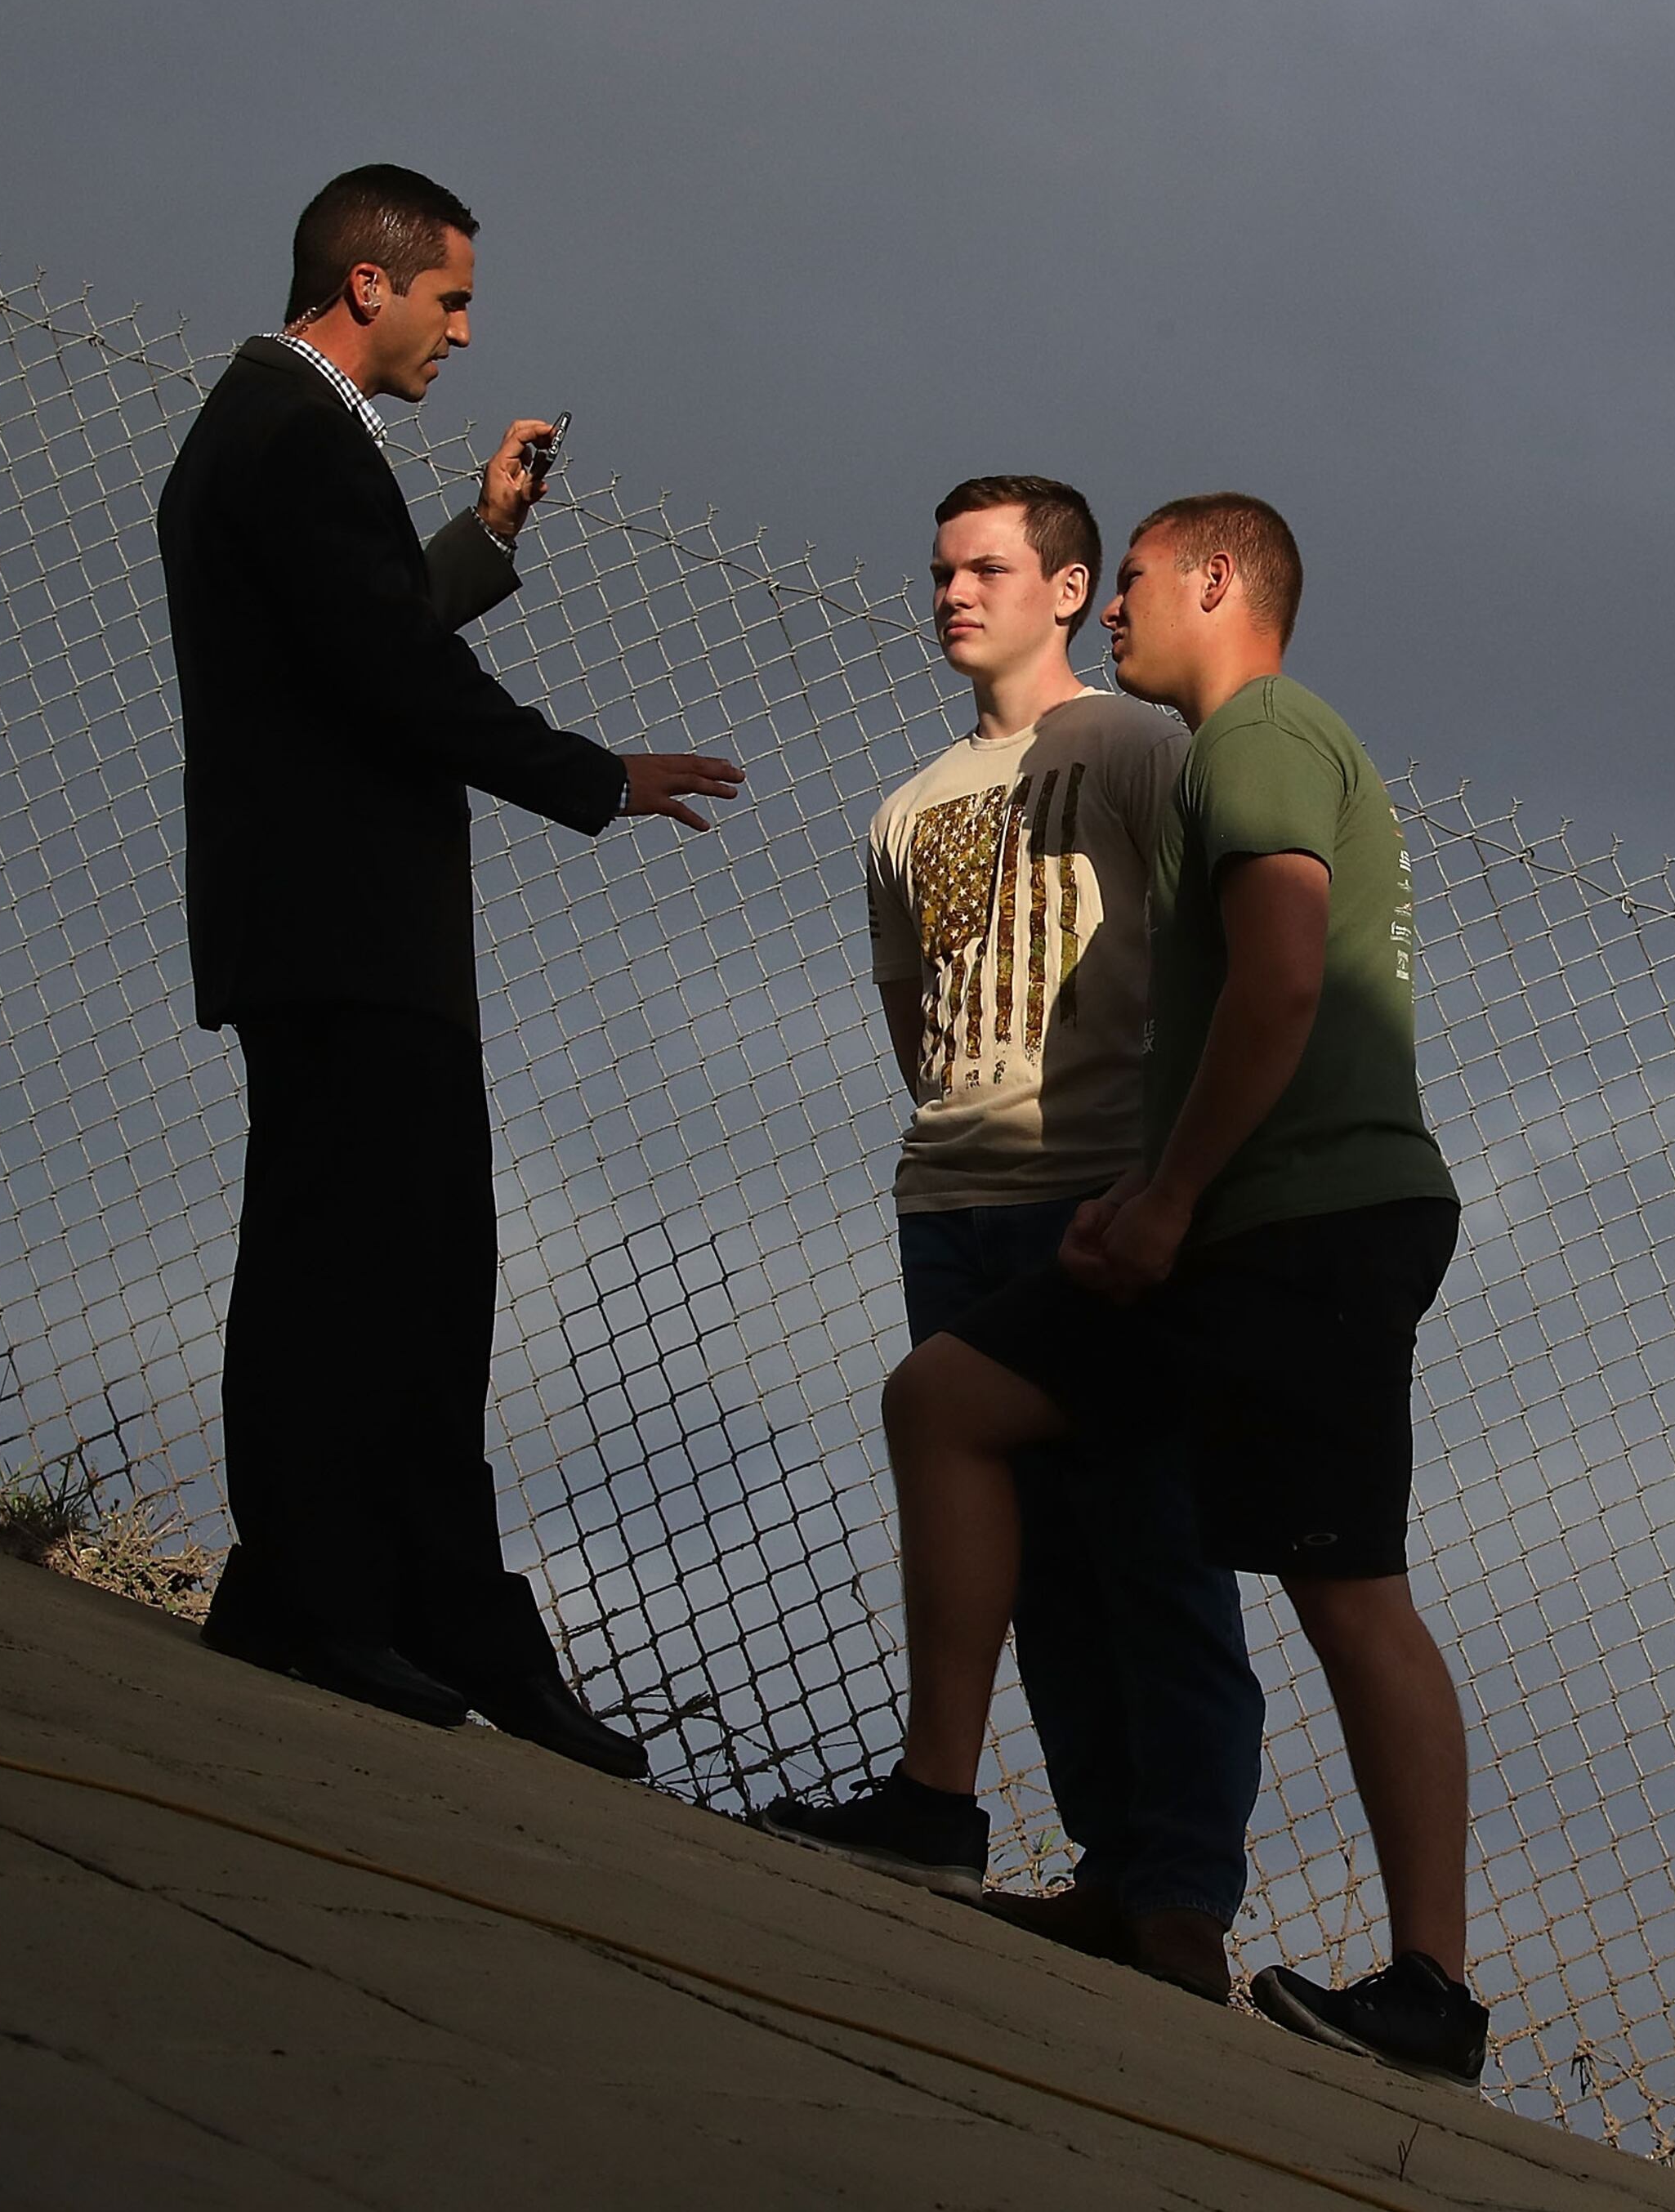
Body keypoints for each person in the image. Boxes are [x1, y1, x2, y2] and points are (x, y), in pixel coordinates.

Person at [820, 493, 1486, 2082]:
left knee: (1347, 1589)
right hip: (1209, 1234)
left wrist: (1170, 1189)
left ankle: (1431, 1992)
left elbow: (1281, 970)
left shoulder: (1256, 733)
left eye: (1128, 583)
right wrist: (1153, 1200)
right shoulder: (1238, 748)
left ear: (1215, 579)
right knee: (951, 1402)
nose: (1111, 608)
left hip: (1308, 1223)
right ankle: (945, 1808)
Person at [158, 163, 744, 1777]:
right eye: (451, 299)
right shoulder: (294, 435)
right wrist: (593, 774)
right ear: (368, 283)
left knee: (374, 1259)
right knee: (371, 1269)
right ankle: (339, 1595)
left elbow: (360, 633)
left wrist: (483, 533)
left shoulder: (270, 434)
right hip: (348, 933)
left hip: (322, 928)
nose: (465, 332)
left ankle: (366, 1591)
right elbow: (391, 674)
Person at [759, 477, 1264, 2004]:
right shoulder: (905, 807)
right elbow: (914, 1011)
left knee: (1155, 1538)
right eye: (938, 570)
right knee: (1030, 1550)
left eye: (987, 567)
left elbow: (1210, 944)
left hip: (1100, 1190)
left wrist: (1164, 1179)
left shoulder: (1134, 746)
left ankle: (1179, 1890)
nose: (952, 593)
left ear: (1069, 587)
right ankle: (1113, 1868)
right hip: (951, 1198)